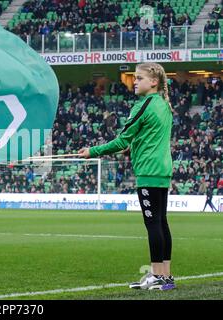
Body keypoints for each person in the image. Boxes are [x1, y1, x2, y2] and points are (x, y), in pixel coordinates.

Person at [79, 62, 175, 291]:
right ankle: (165, 277)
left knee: (153, 224)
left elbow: (123, 139)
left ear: (153, 82)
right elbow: (149, 137)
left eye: (139, 78)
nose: (134, 81)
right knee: (161, 223)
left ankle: (157, 276)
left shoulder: (143, 105)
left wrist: (93, 151)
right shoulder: (163, 104)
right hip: (161, 170)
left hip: (148, 171)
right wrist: (133, 148)